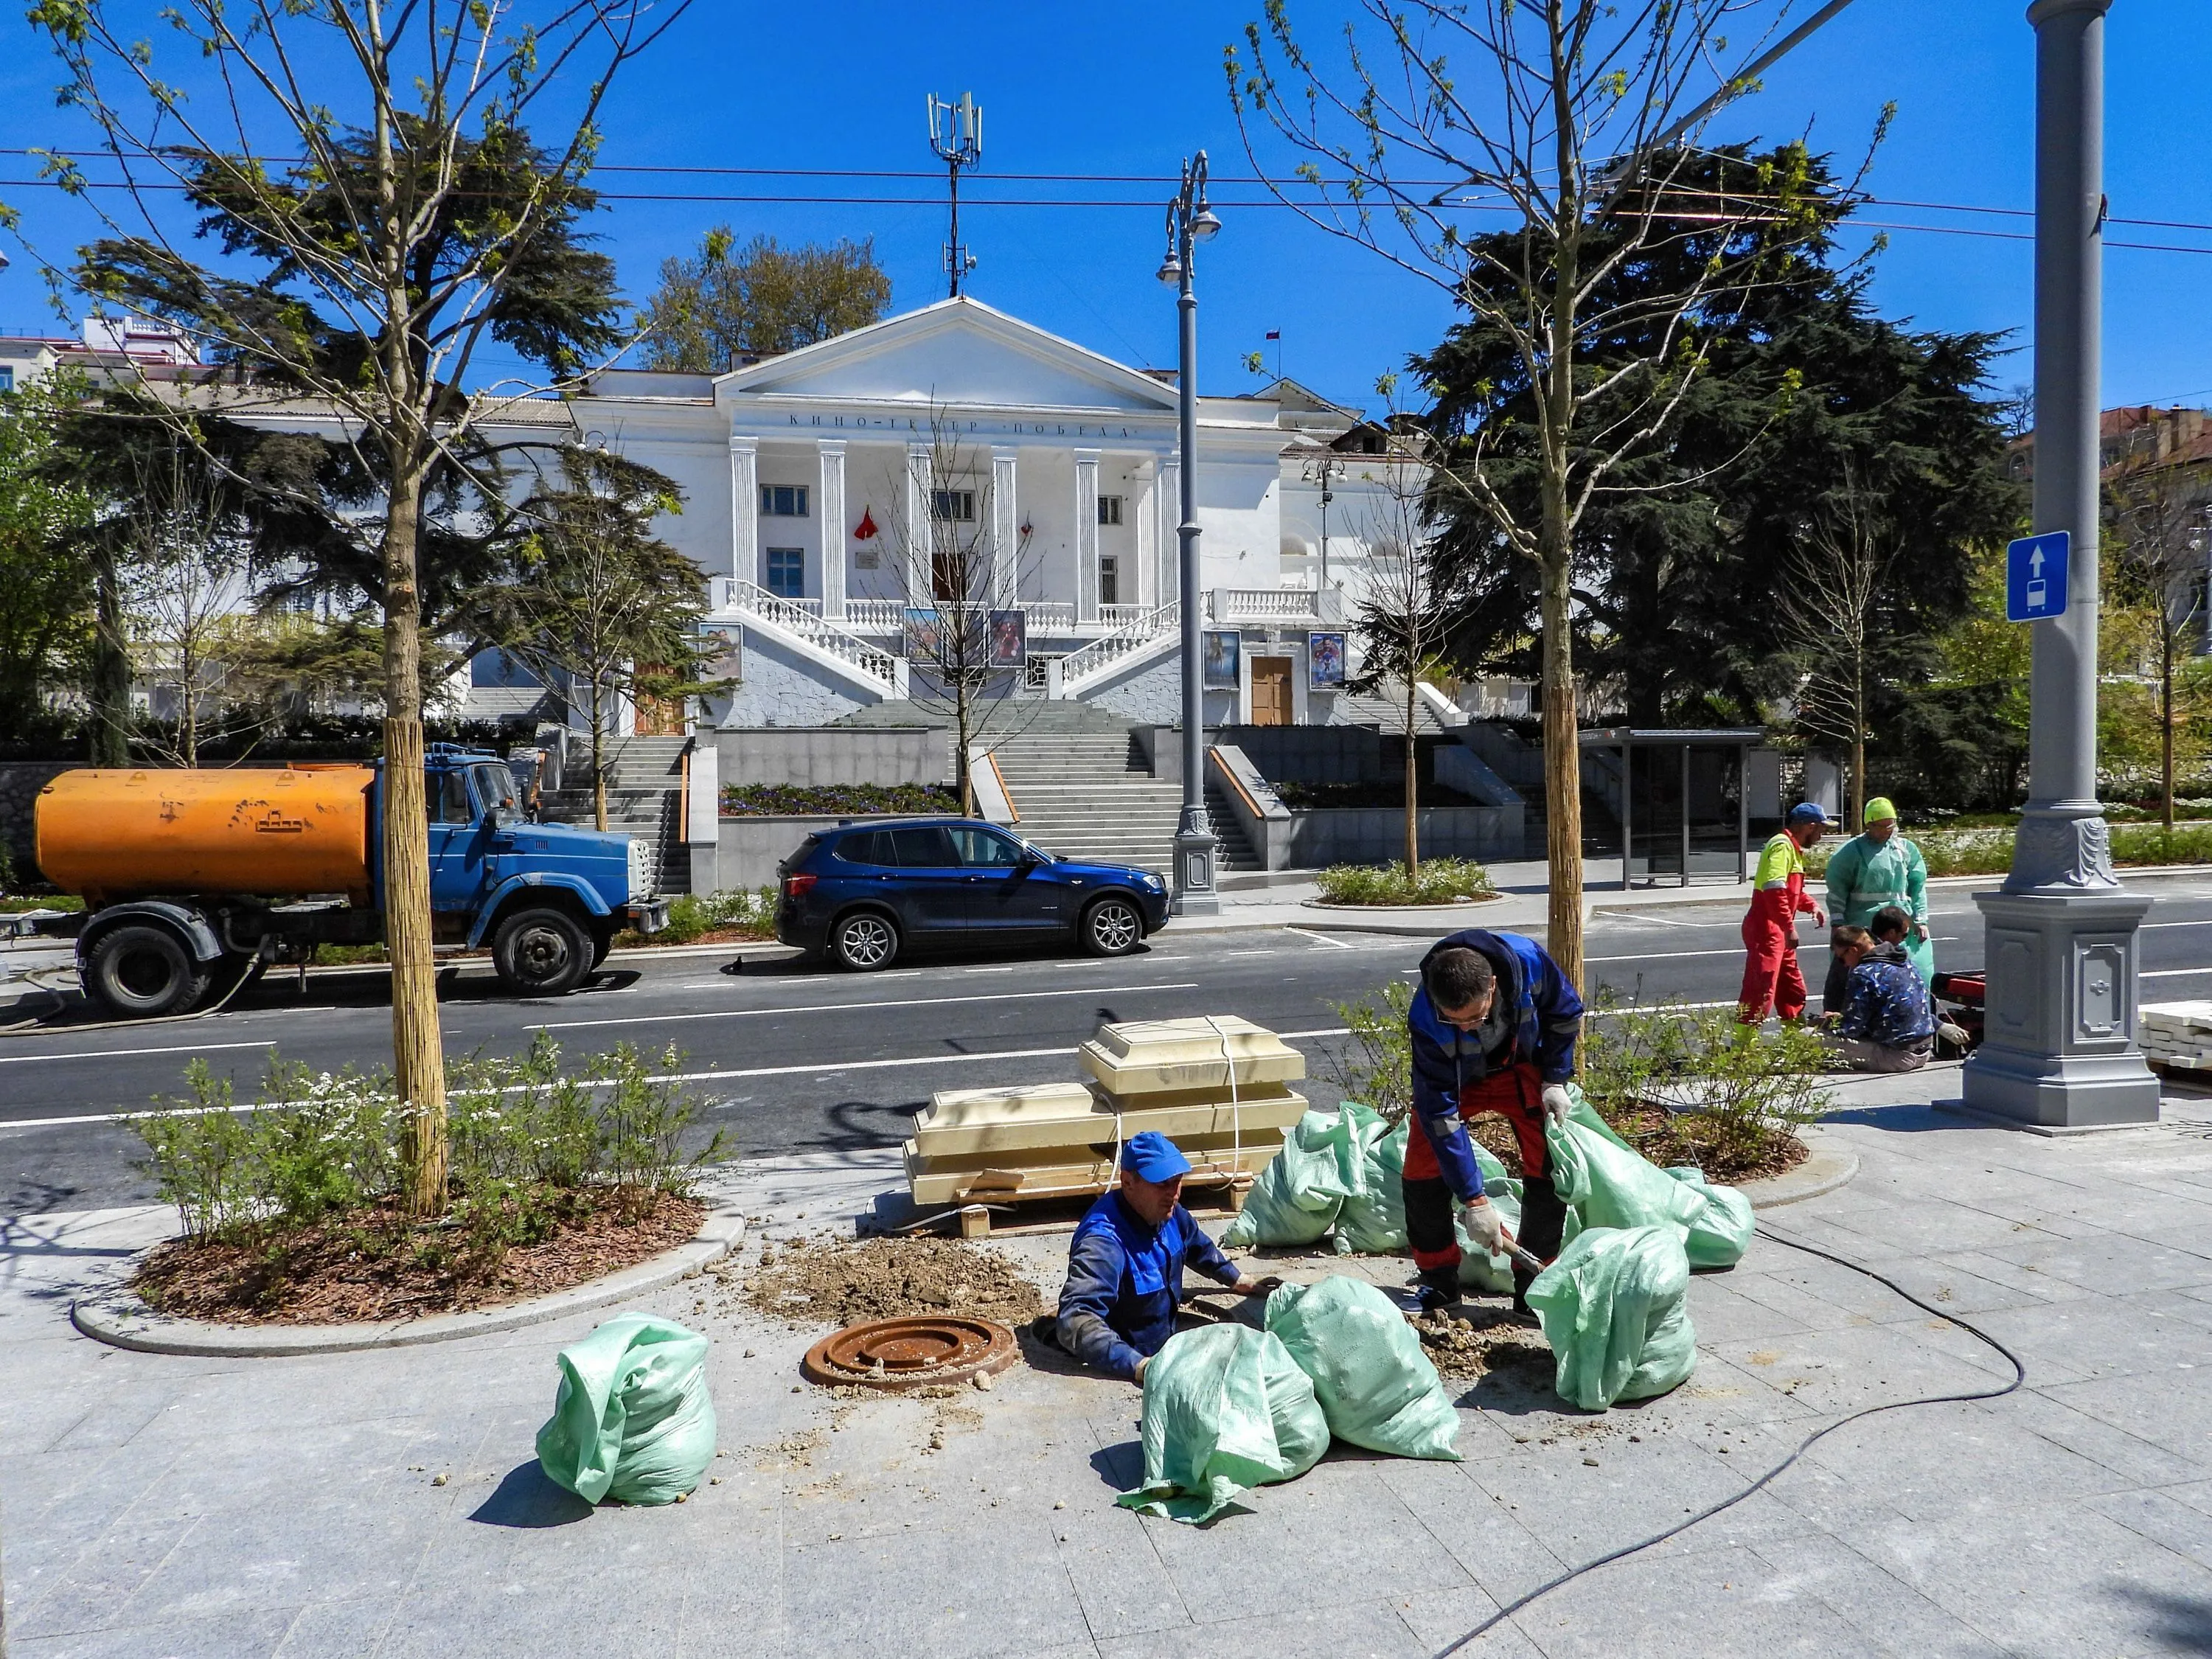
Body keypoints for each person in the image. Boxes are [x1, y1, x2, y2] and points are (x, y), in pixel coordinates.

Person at [1403, 929, 1585, 1318]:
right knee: (1421, 1169)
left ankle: (1533, 1290)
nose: (1466, 1027)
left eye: (1475, 1017)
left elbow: (1565, 1013)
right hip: (1458, 1079)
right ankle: (1439, 1285)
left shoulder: (1530, 962)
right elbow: (1441, 1115)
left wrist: (1555, 1078)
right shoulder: (1425, 1016)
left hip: (1521, 1068)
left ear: (1493, 987)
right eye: (1453, 1020)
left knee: (1548, 1168)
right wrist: (1475, 1201)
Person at [1043, 1131, 1273, 1383]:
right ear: (1128, 1181)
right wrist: (1139, 1366)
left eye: (1177, 1181)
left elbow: (1197, 1245)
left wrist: (1237, 1279)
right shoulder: (1104, 1243)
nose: (1174, 1194)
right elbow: (1076, 1319)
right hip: (1128, 1357)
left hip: (1165, 1341)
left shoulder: (1167, 1211)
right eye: (1162, 1184)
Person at [1822, 796, 1933, 1013]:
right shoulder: (1850, 853)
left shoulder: (1905, 849)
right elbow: (1837, 889)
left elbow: (1918, 885)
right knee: (1860, 980)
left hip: (1901, 924)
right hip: (1864, 925)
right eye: (1880, 826)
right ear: (1868, 824)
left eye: (1890, 825)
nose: (1886, 831)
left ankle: (1914, 1017)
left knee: (1915, 975)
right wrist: (1838, 923)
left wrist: (1920, 919)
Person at [1739, 802, 1831, 1026]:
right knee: (1761, 989)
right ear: (1810, 826)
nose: (1822, 835)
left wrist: (1811, 906)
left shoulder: (1792, 848)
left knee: (1790, 987)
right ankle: (1741, 1051)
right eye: (1821, 829)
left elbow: (1791, 891)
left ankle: (1793, 1042)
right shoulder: (1782, 846)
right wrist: (1788, 927)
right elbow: (1774, 888)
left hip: (1776, 929)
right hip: (1767, 928)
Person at [1829, 920, 1939, 1071]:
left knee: (1809, 1036)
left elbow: (1851, 1030)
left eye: (1842, 958)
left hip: (1896, 1056)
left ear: (1853, 950)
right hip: (1924, 1051)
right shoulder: (1905, 963)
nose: (1845, 964)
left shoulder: (1863, 974)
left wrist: (1828, 1023)